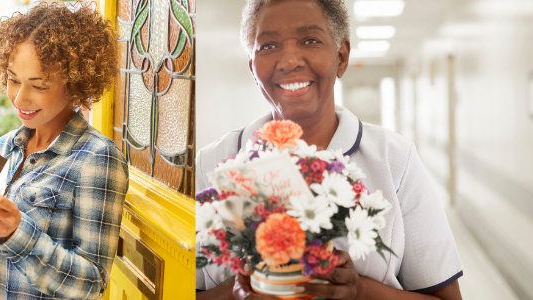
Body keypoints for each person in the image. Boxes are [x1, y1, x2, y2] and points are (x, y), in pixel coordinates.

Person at [194, 0, 463, 299]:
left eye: (310, 40)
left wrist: (361, 290)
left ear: (341, 56)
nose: (289, 60)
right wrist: (236, 292)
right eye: (268, 46)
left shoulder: (395, 160)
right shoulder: (213, 164)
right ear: (252, 67)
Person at [0, 2, 128, 299]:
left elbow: (91, 284)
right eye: (13, 80)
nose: (20, 98)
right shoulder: (1, 147)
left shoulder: (98, 158)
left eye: (38, 85)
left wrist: (16, 234)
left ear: (75, 82)